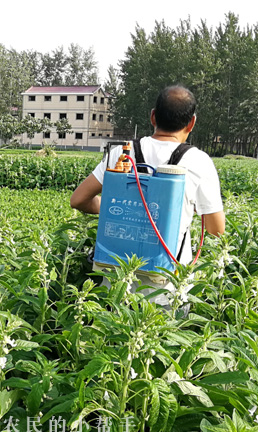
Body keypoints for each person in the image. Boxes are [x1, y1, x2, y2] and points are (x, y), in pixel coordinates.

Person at [70, 85, 225, 291]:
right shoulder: (199, 161)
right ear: (192, 123)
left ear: (153, 117)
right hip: (167, 287)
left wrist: (116, 207)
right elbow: (216, 231)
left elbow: (78, 199)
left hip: (116, 284)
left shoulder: (121, 154)